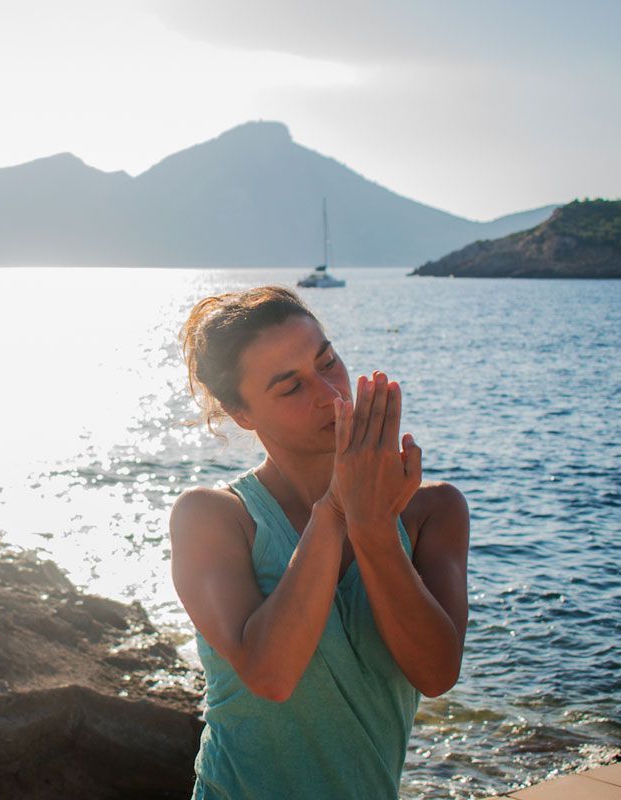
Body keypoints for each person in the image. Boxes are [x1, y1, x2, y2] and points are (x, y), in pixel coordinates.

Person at [170, 286, 470, 800]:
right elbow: (271, 674)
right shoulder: (214, 518)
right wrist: (335, 510)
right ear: (242, 414)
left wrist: (374, 528)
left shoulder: (431, 511)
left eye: (328, 361)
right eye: (291, 388)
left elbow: (437, 672)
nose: (332, 395)